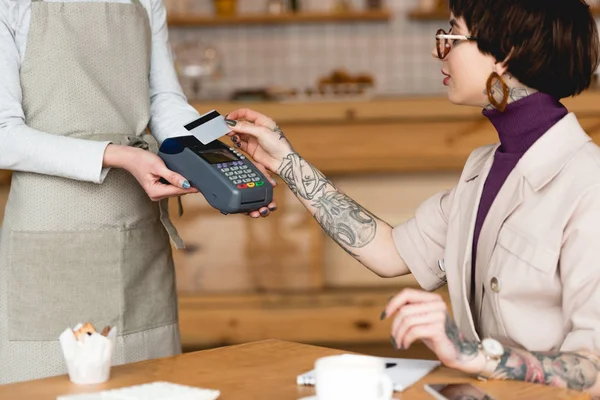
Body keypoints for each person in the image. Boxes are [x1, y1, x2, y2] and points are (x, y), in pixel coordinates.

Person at [223, 0, 600, 395]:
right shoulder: (485, 168)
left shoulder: (588, 187)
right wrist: (287, 162)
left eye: (451, 36)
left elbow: (593, 367)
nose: (438, 51)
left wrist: (474, 354)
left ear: (504, 55)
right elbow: (391, 252)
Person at [0, 0, 276, 384]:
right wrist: (116, 156)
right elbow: (3, 134)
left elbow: (165, 102)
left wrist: (216, 156)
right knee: (45, 383)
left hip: (137, 228)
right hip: (49, 228)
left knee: (148, 383)